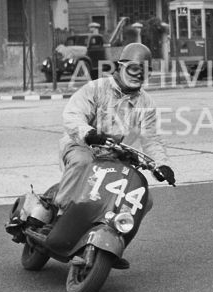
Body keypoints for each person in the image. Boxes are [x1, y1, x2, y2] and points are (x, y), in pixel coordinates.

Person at [53, 41, 175, 269]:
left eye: (143, 71)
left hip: (114, 157)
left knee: (143, 199)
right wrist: (89, 134)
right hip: (83, 146)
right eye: (133, 68)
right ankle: (62, 214)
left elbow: (152, 139)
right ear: (120, 66)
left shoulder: (146, 103)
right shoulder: (96, 88)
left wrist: (162, 165)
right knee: (82, 162)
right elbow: (72, 115)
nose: (137, 75)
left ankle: (115, 241)